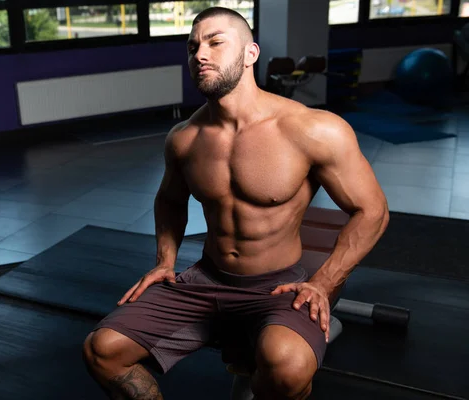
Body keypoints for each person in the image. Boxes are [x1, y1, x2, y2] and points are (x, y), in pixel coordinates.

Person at [83, 6, 389, 400]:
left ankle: (257, 374)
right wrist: (165, 261)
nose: (200, 55)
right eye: (193, 47)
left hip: (279, 285)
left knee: (287, 368)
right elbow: (170, 199)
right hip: (206, 280)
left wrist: (323, 282)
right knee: (101, 349)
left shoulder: (313, 129)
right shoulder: (184, 138)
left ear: (250, 53)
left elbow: (373, 211)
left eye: (215, 42)